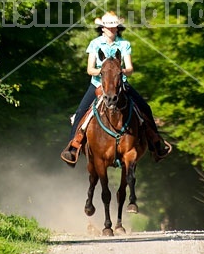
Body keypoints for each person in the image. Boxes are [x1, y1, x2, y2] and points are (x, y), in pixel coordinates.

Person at [60, 11, 171, 166]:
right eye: (109, 27)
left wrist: (120, 72)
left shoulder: (124, 44)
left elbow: (130, 68)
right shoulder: (95, 44)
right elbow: (90, 69)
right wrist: (105, 72)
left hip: (121, 84)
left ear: (118, 28)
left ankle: (156, 143)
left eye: (115, 27)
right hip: (98, 84)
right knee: (81, 111)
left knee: (145, 107)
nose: (112, 29)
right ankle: (73, 146)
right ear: (102, 28)